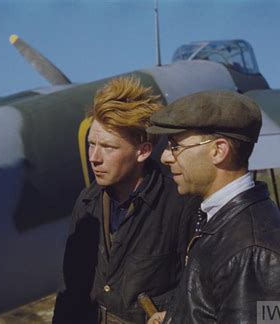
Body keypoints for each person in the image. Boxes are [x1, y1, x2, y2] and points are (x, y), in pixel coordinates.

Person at [145, 90, 280, 323]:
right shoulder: (223, 218)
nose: (166, 157)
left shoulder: (254, 251)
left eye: (175, 146)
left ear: (218, 150)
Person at [52, 77, 200, 324]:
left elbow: (201, 291)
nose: (94, 158)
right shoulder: (87, 202)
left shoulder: (181, 204)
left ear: (143, 151)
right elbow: (71, 291)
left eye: (108, 147)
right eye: (91, 144)